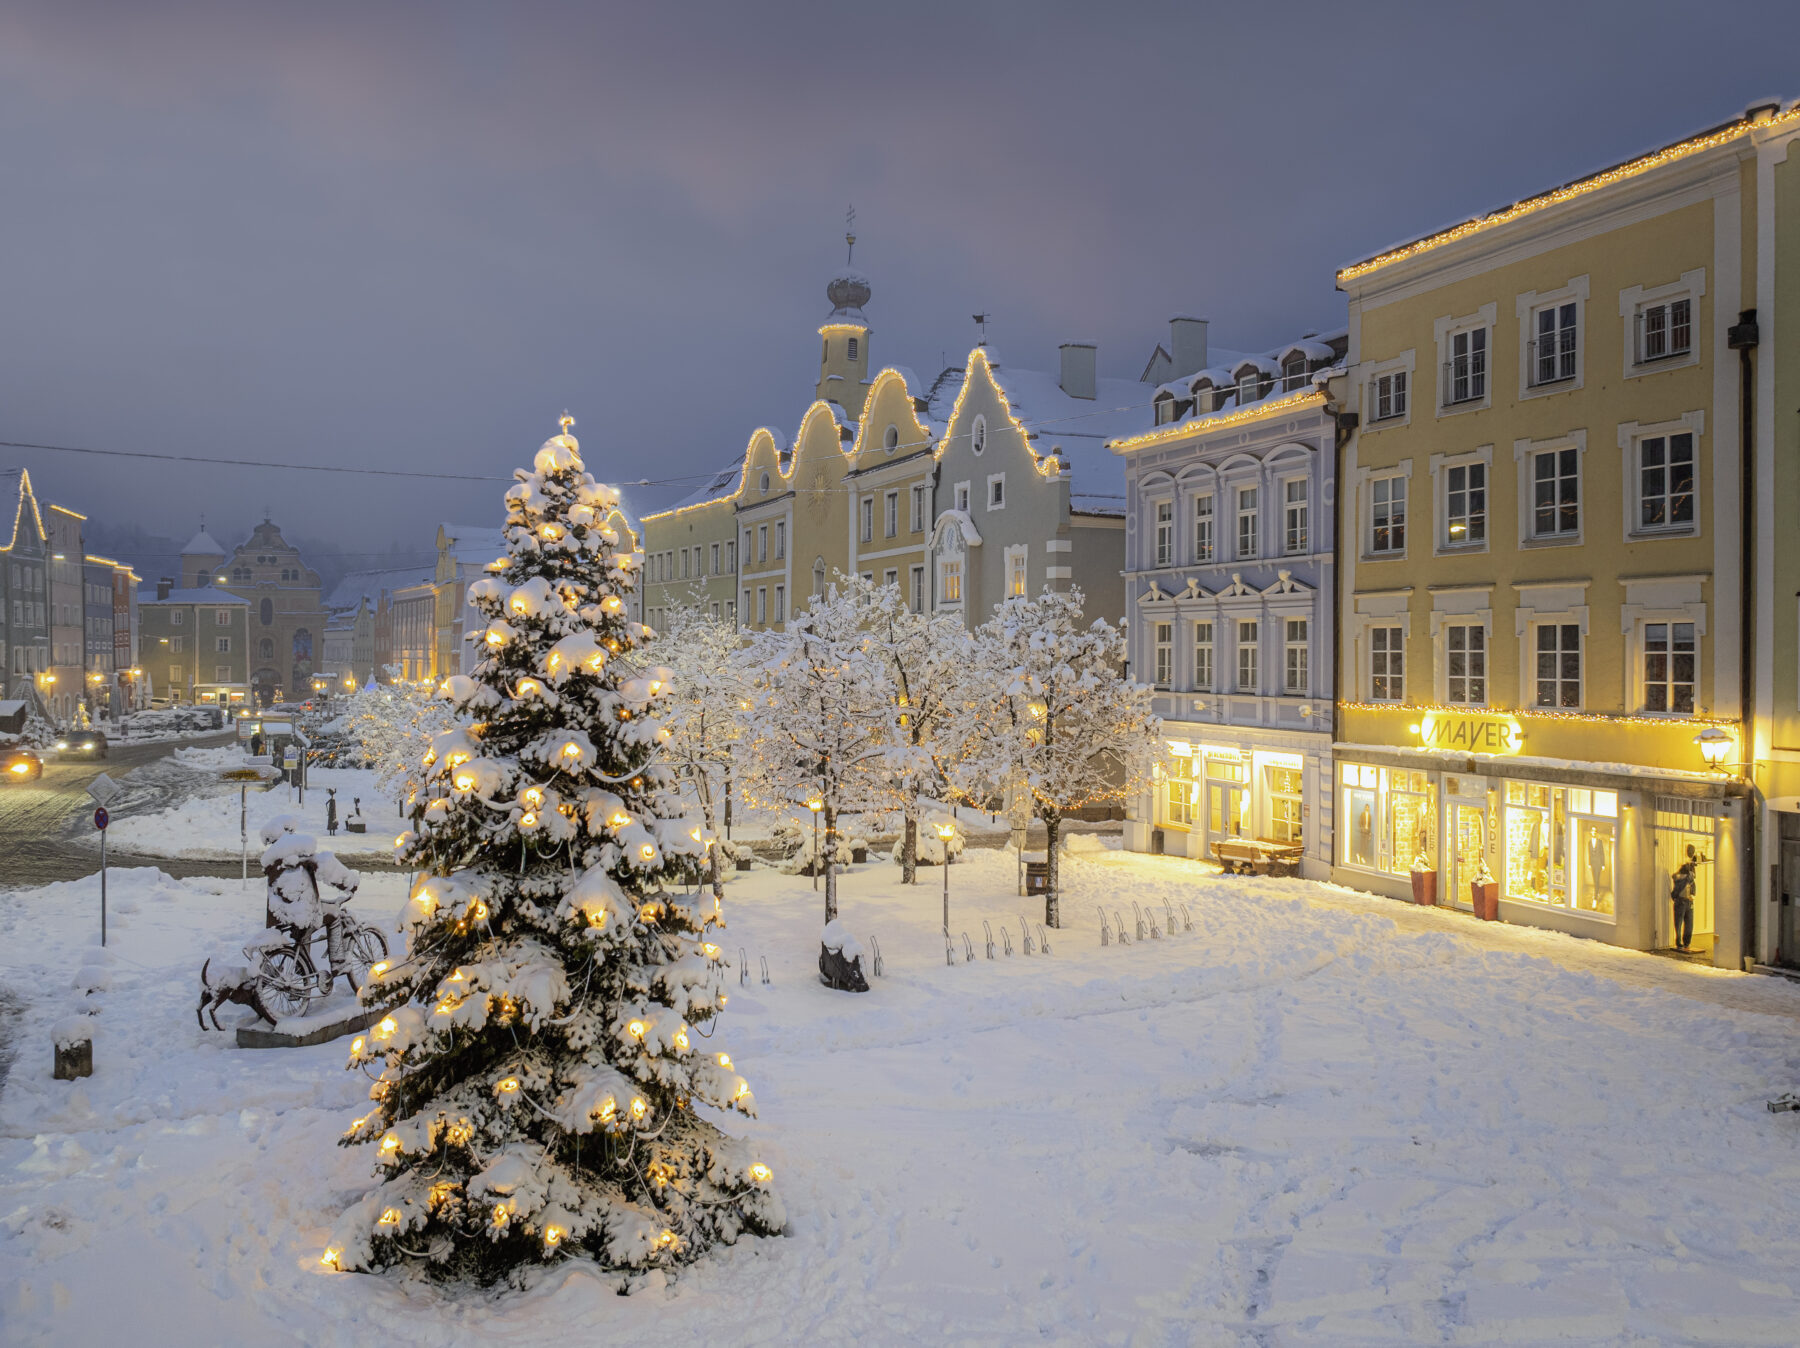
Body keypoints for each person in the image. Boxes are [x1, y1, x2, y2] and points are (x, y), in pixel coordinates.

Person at [261, 816, 360, 984]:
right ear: (289, 830)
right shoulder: (300, 847)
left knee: (303, 929)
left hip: (280, 915)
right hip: (303, 912)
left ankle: (302, 971)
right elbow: (325, 866)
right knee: (334, 915)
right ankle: (339, 963)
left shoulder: (269, 859)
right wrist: (348, 883)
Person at [1670, 844, 1699, 951]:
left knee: (1688, 922)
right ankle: (1679, 942)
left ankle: (1686, 942)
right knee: (1679, 922)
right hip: (1681, 901)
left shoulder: (1689, 877)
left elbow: (1692, 883)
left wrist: (1693, 895)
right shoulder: (1682, 877)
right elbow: (1678, 880)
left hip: (1688, 901)